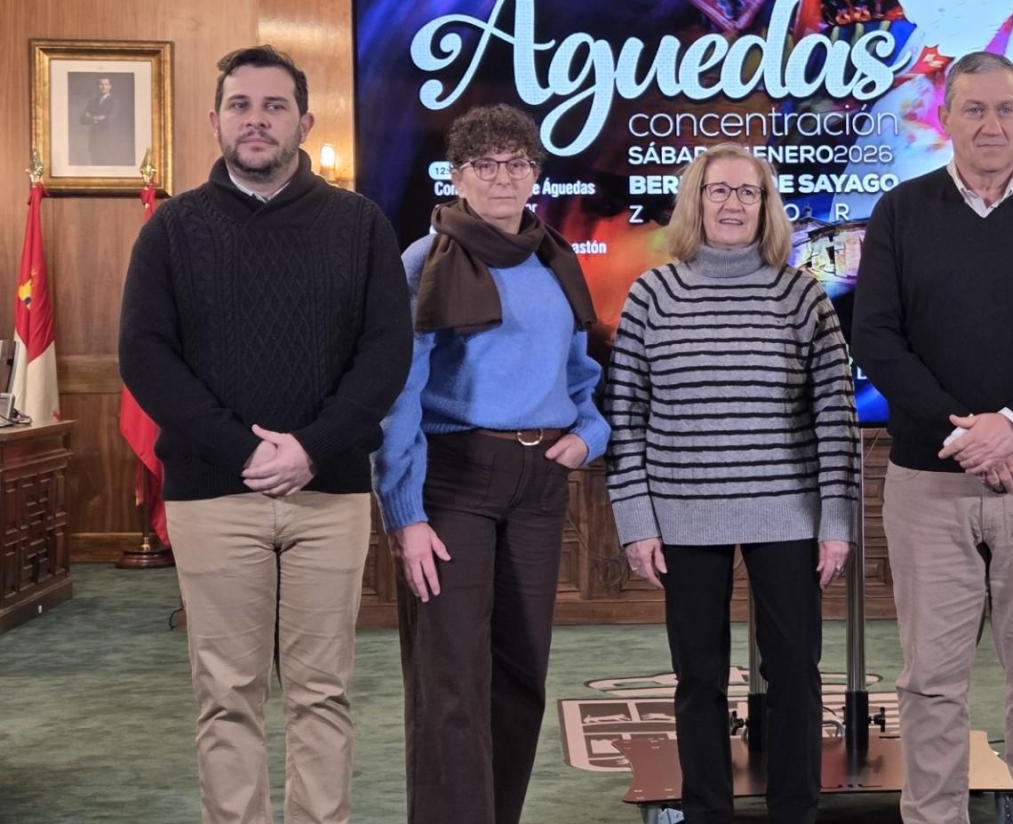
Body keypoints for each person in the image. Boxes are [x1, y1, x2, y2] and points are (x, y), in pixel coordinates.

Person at [118, 45, 412, 824]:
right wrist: (246, 451)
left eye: (274, 106)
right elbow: (145, 358)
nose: (257, 120)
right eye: (241, 105)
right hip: (214, 494)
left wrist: (310, 447)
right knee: (227, 694)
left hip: (331, 492)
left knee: (323, 692)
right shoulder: (172, 230)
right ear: (215, 120)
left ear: (305, 121)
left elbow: (386, 355)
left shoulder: (360, 224)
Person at [851, 50, 1013, 824]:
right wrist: (966, 436)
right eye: (974, 109)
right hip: (928, 485)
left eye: (1006, 109)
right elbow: (878, 336)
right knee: (930, 682)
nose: (991, 124)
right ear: (946, 117)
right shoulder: (900, 211)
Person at [604, 143, 857, 824]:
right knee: (698, 680)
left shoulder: (801, 293)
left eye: (749, 193)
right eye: (719, 191)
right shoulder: (654, 294)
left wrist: (836, 521)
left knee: (796, 679)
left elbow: (835, 412)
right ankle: (708, 812)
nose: (734, 204)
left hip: (789, 515)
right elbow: (623, 414)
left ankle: (794, 813)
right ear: (695, 201)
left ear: (768, 207)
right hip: (683, 516)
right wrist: (637, 520)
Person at [373, 103, 609, 824]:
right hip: (454, 482)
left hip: (540, 485)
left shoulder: (555, 258)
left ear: (536, 174)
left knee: (519, 674)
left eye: (517, 163)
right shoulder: (423, 260)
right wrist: (405, 514)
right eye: (485, 163)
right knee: (450, 680)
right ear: (457, 175)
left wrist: (589, 435)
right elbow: (399, 396)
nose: (503, 177)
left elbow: (580, 374)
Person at [80, 75, 128, 165]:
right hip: (94, 141)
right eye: (101, 84)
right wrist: (98, 118)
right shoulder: (92, 102)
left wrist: (92, 117)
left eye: (106, 84)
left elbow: (109, 121)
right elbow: (82, 119)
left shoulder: (115, 101)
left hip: (108, 142)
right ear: (98, 86)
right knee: (95, 170)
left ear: (110, 86)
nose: (103, 87)